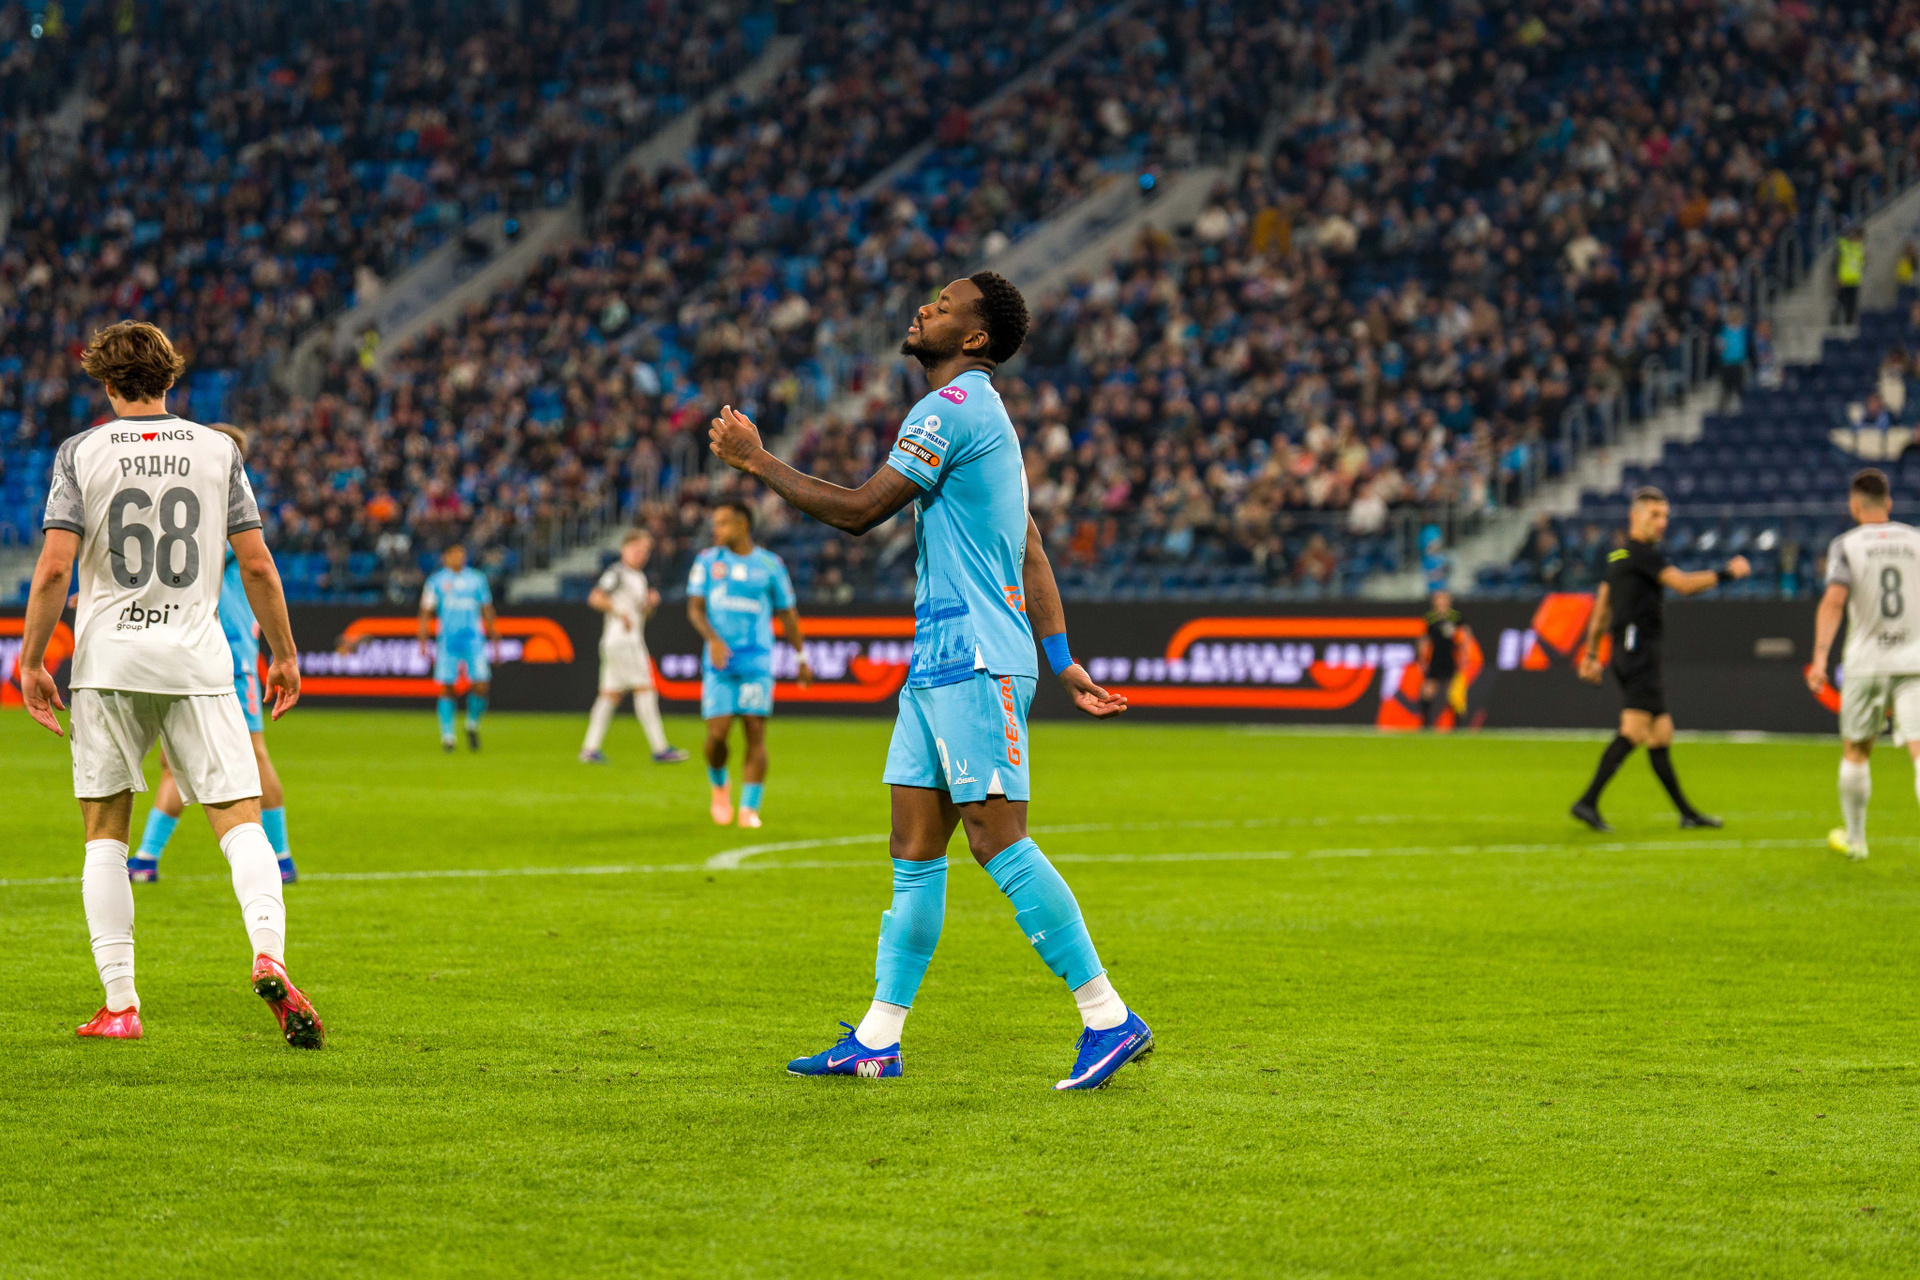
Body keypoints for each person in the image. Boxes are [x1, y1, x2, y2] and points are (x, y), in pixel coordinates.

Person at [707, 271, 1150, 1091]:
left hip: (975, 656)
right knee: (914, 848)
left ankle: (1107, 1016)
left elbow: (859, 510)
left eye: (944, 306)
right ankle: (879, 1037)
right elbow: (1030, 546)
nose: (925, 308)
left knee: (995, 838)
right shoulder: (985, 419)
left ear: (975, 338)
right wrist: (1061, 659)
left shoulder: (950, 409)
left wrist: (755, 460)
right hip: (939, 659)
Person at [15, 320, 321, 1046]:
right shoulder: (218, 450)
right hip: (199, 662)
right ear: (172, 378)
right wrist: (283, 654)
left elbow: (54, 568)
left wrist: (30, 662)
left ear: (104, 381)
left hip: (109, 665)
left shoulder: (80, 452)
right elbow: (257, 564)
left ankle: (121, 1005)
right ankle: (269, 954)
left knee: (104, 836)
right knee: (240, 821)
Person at [129, 424, 297, 883]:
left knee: (254, 754)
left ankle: (281, 857)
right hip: (186, 651)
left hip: (231, 653)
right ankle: (145, 858)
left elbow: (186, 561)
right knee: (172, 761)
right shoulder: (199, 508)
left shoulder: (225, 515)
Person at [1571, 486, 1750, 832]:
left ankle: (1687, 813)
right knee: (1634, 730)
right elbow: (1683, 585)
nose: (1662, 522)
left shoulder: (1617, 556)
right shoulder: (1642, 556)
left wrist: (1591, 654)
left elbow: (1602, 608)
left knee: (1660, 734)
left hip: (1629, 651)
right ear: (1634, 517)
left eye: (1665, 515)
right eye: (1654, 515)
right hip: (1638, 652)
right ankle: (1587, 801)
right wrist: (1727, 573)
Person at [1808, 469, 1920, 860]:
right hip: (1915, 662)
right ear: (1888, 503)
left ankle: (1856, 841)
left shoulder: (1846, 545)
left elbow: (1834, 601)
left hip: (1866, 663)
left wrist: (1820, 656)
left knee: (1856, 750)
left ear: (1854, 506)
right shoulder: (1916, 539)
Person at [686, 501, 811, 828]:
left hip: (756, 660)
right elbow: (695, 608)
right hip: (719, 661)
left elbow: (788, 614)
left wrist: (801, 657)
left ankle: (748, 809)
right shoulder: (707, 561)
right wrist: (712, 639)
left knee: (755, 731)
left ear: (743, 525)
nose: (716, 530)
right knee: (717, 735)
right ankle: (719, 786)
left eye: (723, 523)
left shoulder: (770, 565)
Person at [579, 528, 688, 765]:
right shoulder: (617, 573)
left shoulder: (638, 577)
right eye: (637, 549)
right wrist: (620, 612)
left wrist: (650, 605)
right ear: (624, 549)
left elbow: (642, 615)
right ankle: (660, 748)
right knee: (645, 689)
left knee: (609, 695)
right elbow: (595, 597)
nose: (642, 555)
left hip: (618, 641)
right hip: (624, 641)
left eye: (645, 551)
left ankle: (589, 749)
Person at [419, 543, 496, 751]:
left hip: (473, 640)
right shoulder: (436, 581)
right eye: (454, 554)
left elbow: (487, 608)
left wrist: (495, 638)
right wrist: (423, 640)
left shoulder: (477, 579)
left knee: (482, 685)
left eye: (462, 554)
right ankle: (448, 736)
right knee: (447, 687)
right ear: (445, 557)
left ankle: (472, 723)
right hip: (447, 642)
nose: (459, 557)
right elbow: (425, 612)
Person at [1417, 589, 1471, 729]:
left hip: (1451, 658)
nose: (1441, 602)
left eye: (1444, 599)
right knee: (1427, 691)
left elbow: (1466, 635)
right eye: (1438, 599)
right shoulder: (1430, 618)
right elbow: (1424, 639)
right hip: (1435, 659)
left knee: (1454, 694)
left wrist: (1465, 654)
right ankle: (1425, 725)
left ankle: (1458, 727)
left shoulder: (1456, 617)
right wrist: (1422, 658)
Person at [1836, 224, 1865, 327]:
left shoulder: (1859, 247)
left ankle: (1849, 323)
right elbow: (1838, 262)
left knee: (1852, 305)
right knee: (1841, 302)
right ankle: (1837, 322)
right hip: (1844, 280)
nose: (1854, 237)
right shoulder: (1844, 245)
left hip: (1855, 280)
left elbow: (1860, 263)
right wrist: (1838, 277)